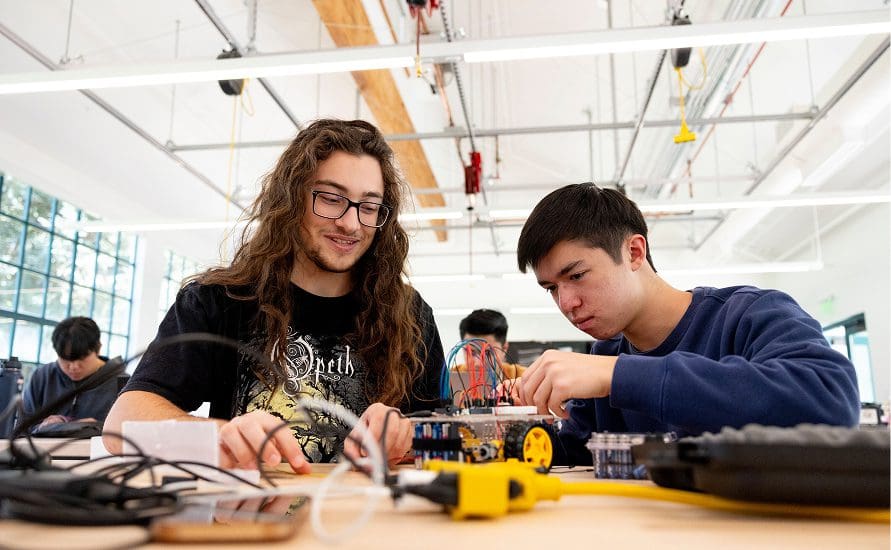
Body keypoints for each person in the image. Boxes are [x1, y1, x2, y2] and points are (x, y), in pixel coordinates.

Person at [104, 119, 445, 472]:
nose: (351, 224)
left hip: (368, 521)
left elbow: (446, 430)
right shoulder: (219, 300)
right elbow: (121, 425)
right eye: (330, 199)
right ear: (291, 198)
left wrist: (406, 434)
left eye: (369, 207)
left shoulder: (409, 313)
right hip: (250, 518)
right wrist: (219, 435)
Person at [514, 183, 860, 465]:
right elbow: (576, 449)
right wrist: (506, 434)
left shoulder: (748, 315)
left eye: (576, 275)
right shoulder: (605, 354)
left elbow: (830, 402)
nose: (566, 303)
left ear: (634, 253)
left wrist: (618, 375)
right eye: (552, 289)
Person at [21, 317, 119, 433]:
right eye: (65, 359)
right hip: (42, 450)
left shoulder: (122, 383)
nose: (73, 367)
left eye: (81, 358)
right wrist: (43, 427)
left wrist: (98, 426)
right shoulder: (42, 377)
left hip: (98, 450)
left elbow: (128, 432)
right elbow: (22, 429)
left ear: (98, 349)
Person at [456, 309, 525, 379]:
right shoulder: (447, 378)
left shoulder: (524, 377)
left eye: (488, 353)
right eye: (471, 352)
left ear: (504, 348)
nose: (478, 364)